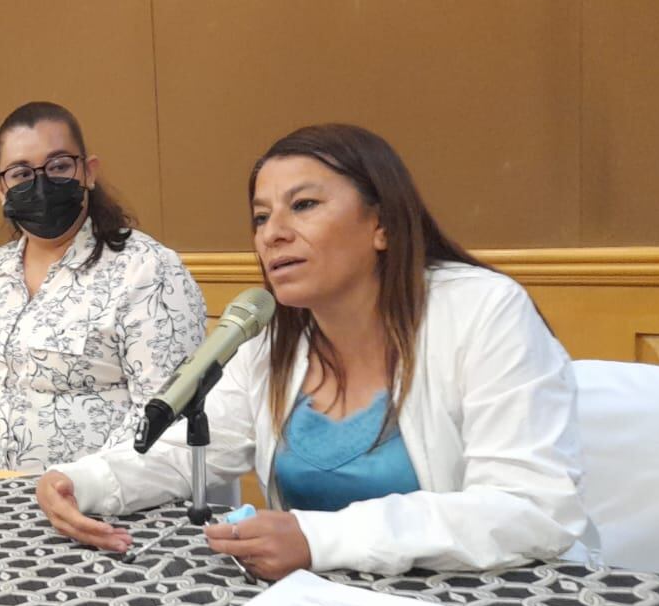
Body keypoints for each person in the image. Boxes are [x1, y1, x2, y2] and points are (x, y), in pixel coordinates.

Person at [37, 124, 585, 580]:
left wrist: (319, 538)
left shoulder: (483, 311)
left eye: (303, 205)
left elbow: (529, 509)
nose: (272, 234)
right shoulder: (271, 337)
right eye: (260, 217)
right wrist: (83, 481)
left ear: (382, 224)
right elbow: (191, 453)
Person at [0, 101, 208, 471]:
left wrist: (81, 486)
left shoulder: (147, 270)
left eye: (58, 166)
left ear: (88, 171)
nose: (41, 183)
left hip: (98, 499)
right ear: (0, 189)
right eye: (21, 174)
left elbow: (163, 412)